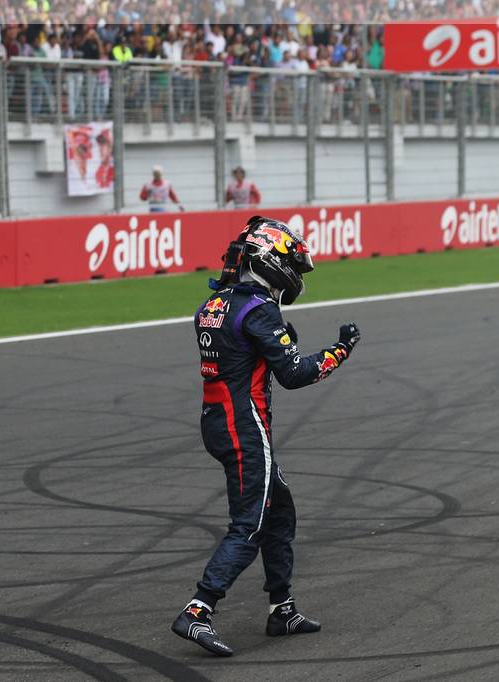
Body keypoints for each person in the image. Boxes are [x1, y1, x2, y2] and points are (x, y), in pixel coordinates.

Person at [171, 215, 361, 657]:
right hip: (244, 427)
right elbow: (294, 373)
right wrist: (340, 349)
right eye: (291, 263)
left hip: (219, 420)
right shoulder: (258, 309)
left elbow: (243, 352)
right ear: (270, 261)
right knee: (250, 524)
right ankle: (198, 610)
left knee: (280, 513)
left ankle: (282, 609)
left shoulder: (215, 303)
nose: (294, 273)